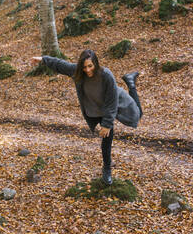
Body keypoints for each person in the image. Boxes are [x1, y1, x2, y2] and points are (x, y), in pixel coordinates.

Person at [31, 49, 143, 185]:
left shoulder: (106, 75)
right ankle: (107, 168)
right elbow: (60, 64)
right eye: (84, 67)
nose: (87, 70)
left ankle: (131, 83)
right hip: (98, 108)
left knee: (138, 115)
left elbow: (111, 103)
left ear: (95, 63)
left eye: (90, 66)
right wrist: (43, 59)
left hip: (115, 100)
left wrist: (107, 124)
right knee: (107, 138)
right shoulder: (77, 72)